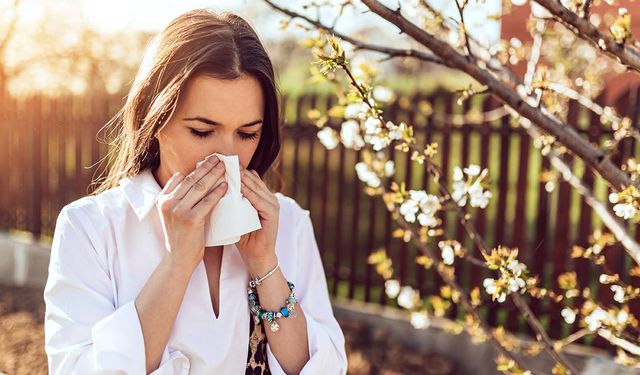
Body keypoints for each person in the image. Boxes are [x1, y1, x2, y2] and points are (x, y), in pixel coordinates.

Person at [43, 8, 347, 375]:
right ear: (152, 120)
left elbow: (325, 369)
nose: (227, 156)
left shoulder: (290, 224)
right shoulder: (91, 228)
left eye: (247, 133)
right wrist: (177, 264)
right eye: (203, 132)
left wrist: (266, 264)